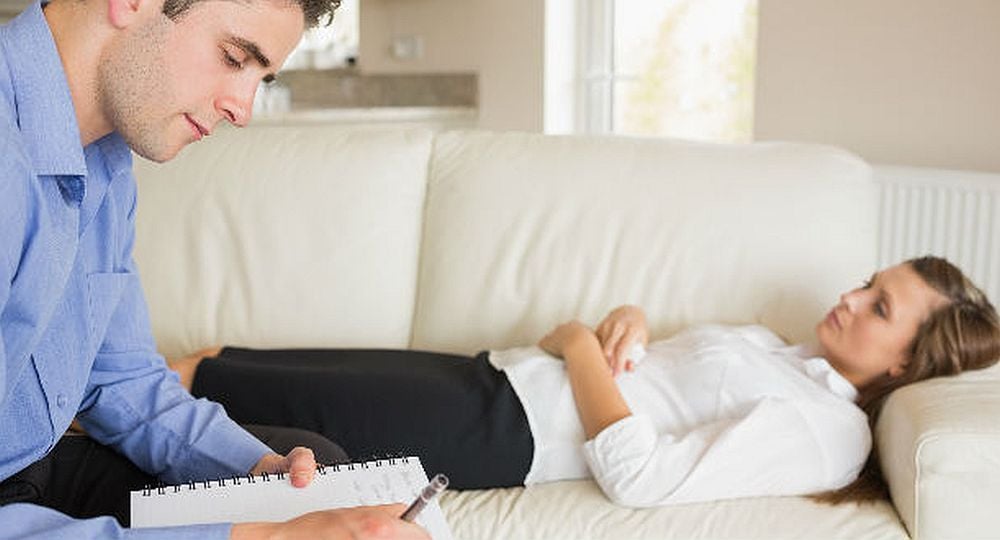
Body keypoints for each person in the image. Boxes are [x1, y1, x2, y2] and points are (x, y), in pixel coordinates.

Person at [0, 0, 427, 538]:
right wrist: (262, 537)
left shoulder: (106, 164)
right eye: (233, 58)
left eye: (259, 78)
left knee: (311, 478)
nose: (242, 110)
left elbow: (121, 378)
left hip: (28, 471)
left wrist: (257, 471)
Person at [170, 256, 1000, 507]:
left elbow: (643, 475)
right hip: (497, 376)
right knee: (224, 363)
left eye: (879, 307)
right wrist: (627, 322)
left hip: (503, 430)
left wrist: (579, 349)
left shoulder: (828, 431)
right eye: (866, 283)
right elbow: (663, 380)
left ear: (906, 364)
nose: (850, 298)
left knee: (225, 385)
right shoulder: (783, 353)